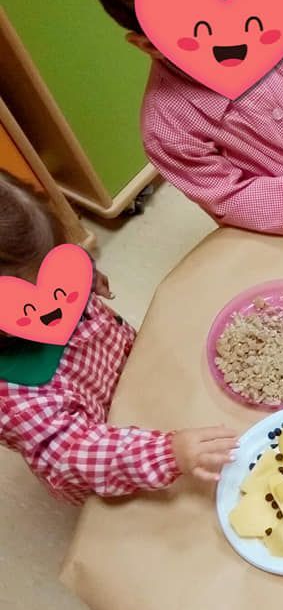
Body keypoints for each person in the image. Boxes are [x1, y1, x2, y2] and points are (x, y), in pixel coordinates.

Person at [0, 172, 237, 504]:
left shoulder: (45, 282)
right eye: (29, 296)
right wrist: (168, 454)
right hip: (108, 449)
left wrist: (82, 275)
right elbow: (73, 456)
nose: (58, 295)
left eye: (55, 269)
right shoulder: (18, 400)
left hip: (126, 369)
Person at [84, 0, 283, 236]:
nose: (237, 41)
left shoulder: (275, 23)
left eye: (242, 14)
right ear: (148, 44)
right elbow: (225, 195)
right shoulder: (168, 127)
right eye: (206, 31)